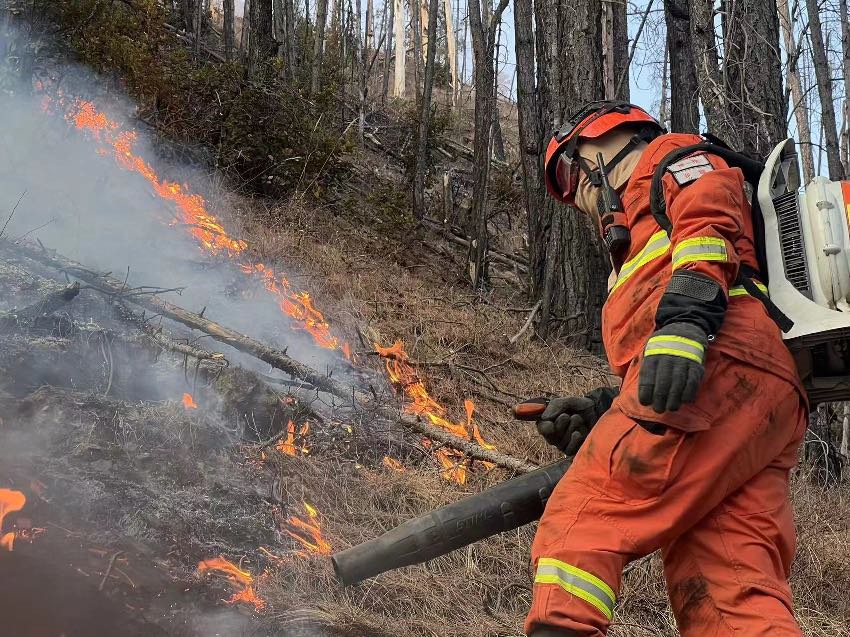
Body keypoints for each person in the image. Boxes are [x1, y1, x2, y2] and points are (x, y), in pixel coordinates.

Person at [526, 101, 807, 637]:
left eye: (571, 172)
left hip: (723, 362)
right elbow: (653, 353)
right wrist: (606, 409)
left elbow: (711, 218)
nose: (578, 196)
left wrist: (685, 325)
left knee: (584, 518)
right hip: (757, 392)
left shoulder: (669, 158)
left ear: (605, 142)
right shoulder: (637, 239)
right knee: (729, 589)